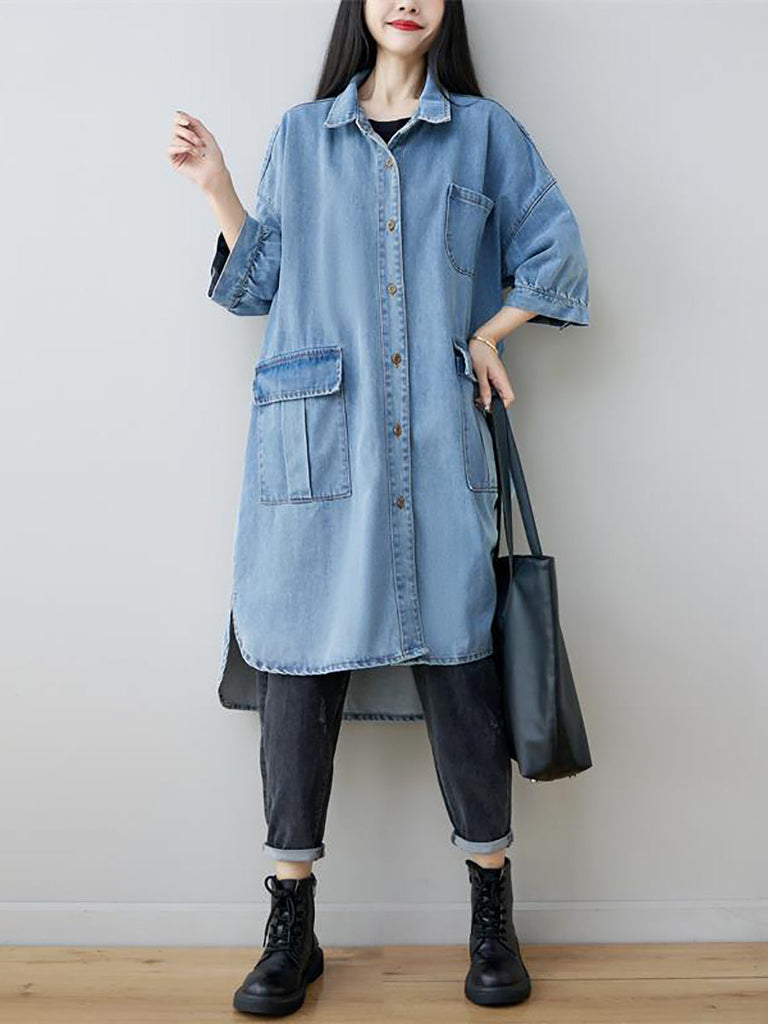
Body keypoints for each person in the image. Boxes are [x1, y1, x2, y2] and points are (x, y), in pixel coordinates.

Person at [167, 0, 589, 1015]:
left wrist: (488, 334)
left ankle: (492, 912)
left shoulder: (485, 135)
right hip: (317, 448)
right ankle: (291, 925)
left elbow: (557, 250)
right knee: (294, 667)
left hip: (437, 441)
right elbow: (258, 287)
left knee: (461, 659)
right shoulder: (299, 136)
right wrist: (219, 189)